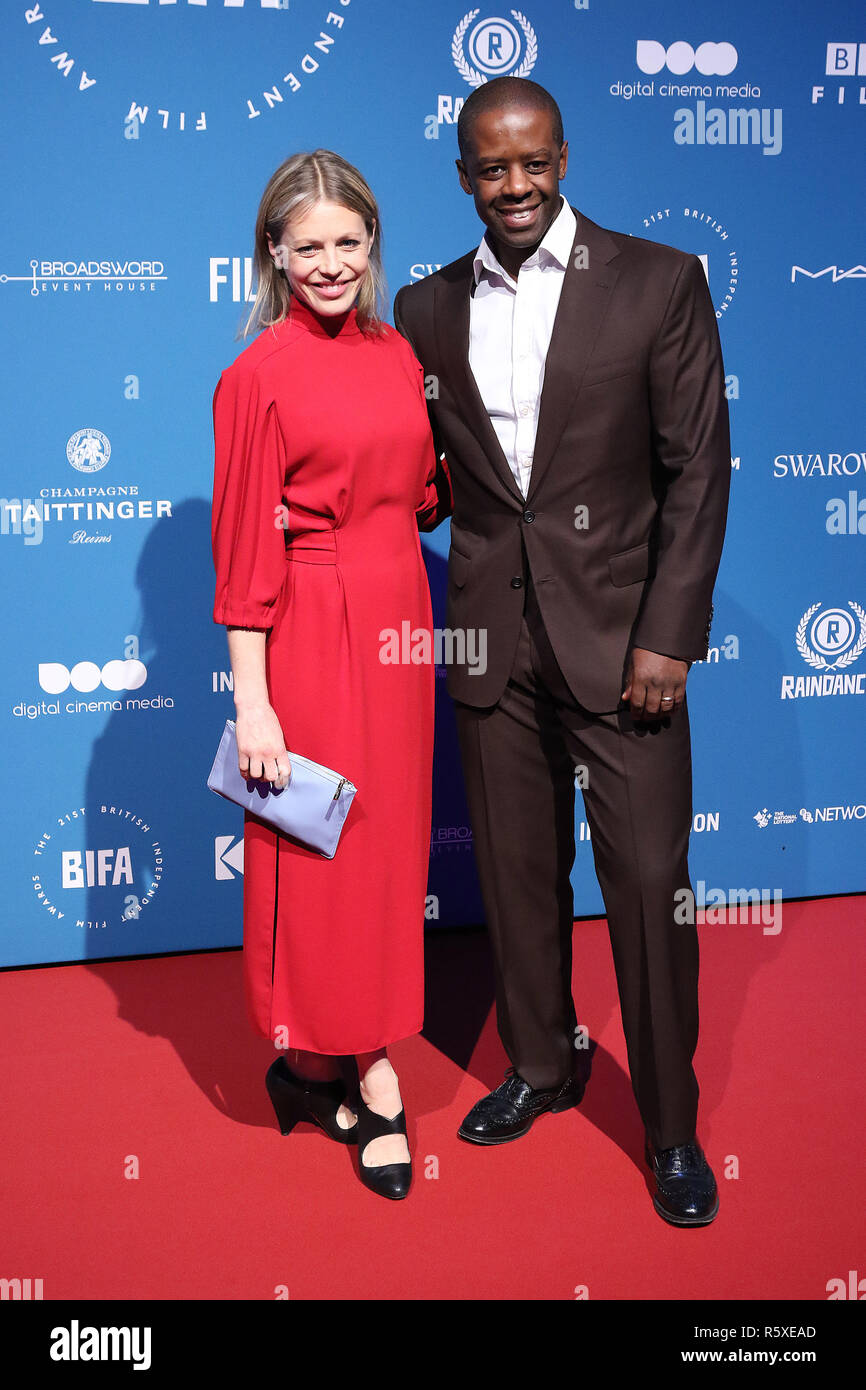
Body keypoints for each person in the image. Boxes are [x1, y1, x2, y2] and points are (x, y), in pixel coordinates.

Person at [393, 77, 731, 1225]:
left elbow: (697, 473)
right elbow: (433, 477)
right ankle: (542, 1063)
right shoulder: (423, 307)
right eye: (490, 168)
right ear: (462, 179)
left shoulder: (657, 281)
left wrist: (666, 634)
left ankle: (672, 1126)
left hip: (624, 648)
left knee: (645, 886)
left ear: (563, 158)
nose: (513, 185)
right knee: (517, 879)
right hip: (491, 639)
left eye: (530, 162)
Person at [211, 149, 450, 1200]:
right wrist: (253, 703)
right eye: (304, 246)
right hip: (312, 627)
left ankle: (316, 1066)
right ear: (273, 252)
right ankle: (369, 1067)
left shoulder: (399, 353)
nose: (328, 263)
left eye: (345, 243)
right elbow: (241, 562)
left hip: (402, 617)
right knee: (328, 849)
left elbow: (430, 492)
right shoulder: (254, 375)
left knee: (390, 845)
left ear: (370, 245)